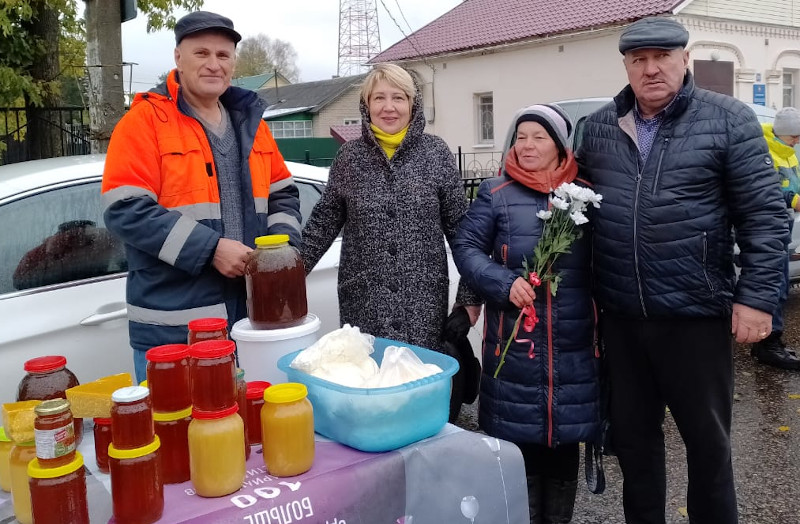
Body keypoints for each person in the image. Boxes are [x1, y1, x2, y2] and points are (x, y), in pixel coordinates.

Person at [576, 16, 788, 524]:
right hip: (623, 320)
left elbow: (764, 214)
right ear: (626, 66)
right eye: (639, 60)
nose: (651, 70)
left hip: (696, 317)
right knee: (634, 446)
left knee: (708, 449)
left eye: (663, 57)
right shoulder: (600, 129)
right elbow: (575, 212)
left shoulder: (728, 119)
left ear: (685, 60)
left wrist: (757, 298)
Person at [102, 11, 301, 382]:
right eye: (201, 53)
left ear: (233, 63)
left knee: (246, 435)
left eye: (223, 56)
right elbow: (125, 209)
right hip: (176, 333)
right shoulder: (144, 122)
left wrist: (279, 252)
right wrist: (211, 249)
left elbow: (284, 194)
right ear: (178, 58)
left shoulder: (251, 123)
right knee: (181, 435)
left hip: (249, 320)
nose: (214, 64)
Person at [452, 105, 600, 524]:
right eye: (521, 137)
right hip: (515, 346)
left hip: (573, 345)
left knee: (564, 443)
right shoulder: (496, 193)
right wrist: (502, 283)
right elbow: (466, 248)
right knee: (520, 450)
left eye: (539, 137)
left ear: (559, 145)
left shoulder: (584, 194)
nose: (528, 145)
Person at [300, 63, 481, 354]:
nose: (389, 107)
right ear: (366, 105)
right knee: (371, 385)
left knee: (419, 385)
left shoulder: (435, 153)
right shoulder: (350, 158)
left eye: (398, 98)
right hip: (365, 303)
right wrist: (283, 277)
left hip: (423, 304)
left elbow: (463, 231)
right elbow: (322, 224)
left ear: (412, 104)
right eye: (379, 98)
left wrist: (469, 300)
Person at [751, 107, 800, 369]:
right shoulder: (767, 152)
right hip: (769, 227)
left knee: (780, 286)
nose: (798, 141)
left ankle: (768, 343)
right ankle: (768, 345)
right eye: (795, 136)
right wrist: (794, 200)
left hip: (783, 225)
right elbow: (766, 189)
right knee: (775, 287)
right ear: (784, 134)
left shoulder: (788, 152)